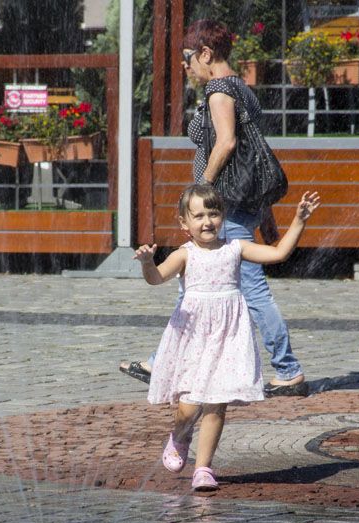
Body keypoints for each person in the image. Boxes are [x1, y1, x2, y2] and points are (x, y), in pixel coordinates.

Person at [121, 19, 309, 398]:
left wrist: (199, 191)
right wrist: (266, 212)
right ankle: (164, 361)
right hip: (242, 204)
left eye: (188, 58)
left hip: (226, 206)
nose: (186, 66)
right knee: (193, 283)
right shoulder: (242, 88)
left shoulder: (219, 91)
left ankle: (288, 369)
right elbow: (253, 155)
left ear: (206, 53)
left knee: (251, 290)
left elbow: (226, 144)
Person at [138, 184, 320, 491]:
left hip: (229, 335)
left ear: (223, 216)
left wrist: (299, 220)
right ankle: (180, 435)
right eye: (198, 216)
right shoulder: (185, 255)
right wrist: (146, 263)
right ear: (184, 223)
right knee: (189, 406)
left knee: (217, 402)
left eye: (214, 213)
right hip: (194, 337)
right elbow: (156, 279)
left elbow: (278, 253)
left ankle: (203, 468)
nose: (207, 221)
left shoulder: (235, 248)